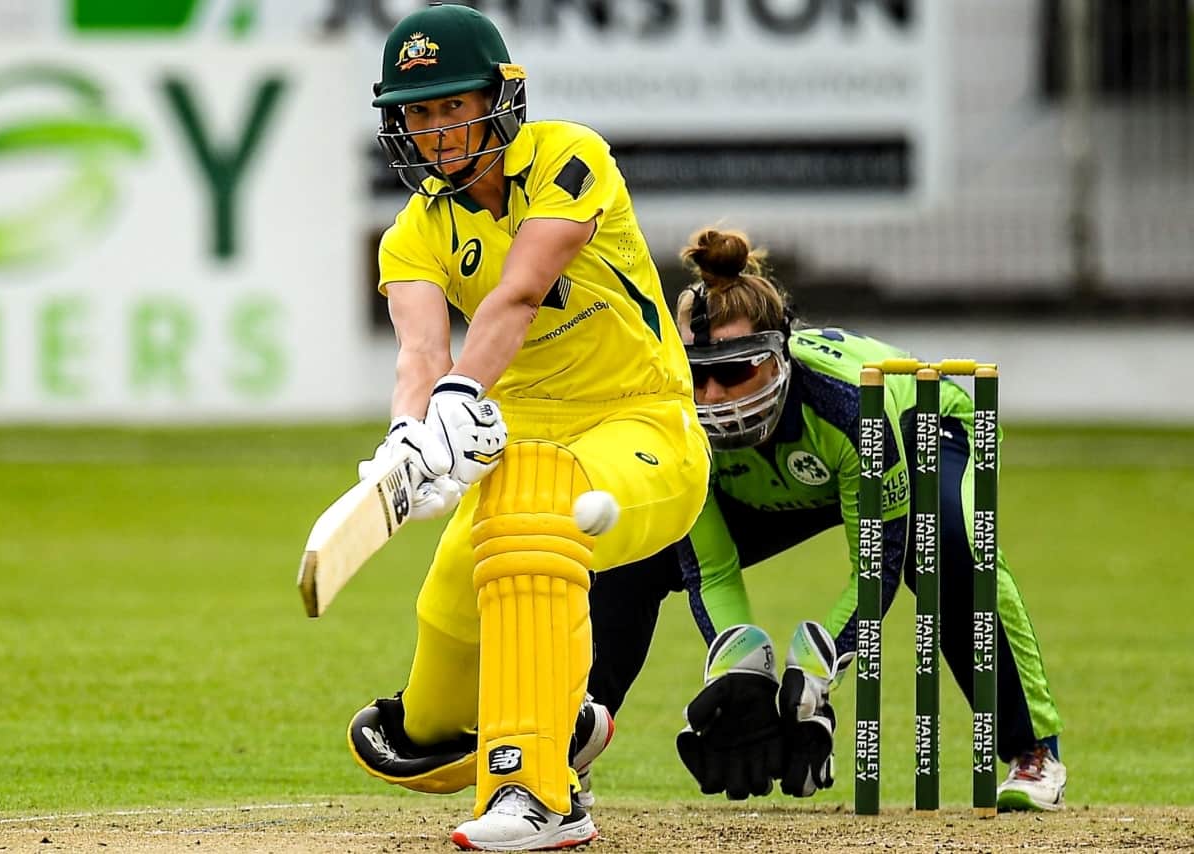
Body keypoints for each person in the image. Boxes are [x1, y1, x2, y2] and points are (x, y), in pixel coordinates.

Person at [344, 4, 711, 849]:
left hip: (639, 428)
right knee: (428, 725)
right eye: (419, 112)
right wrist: (409, 435)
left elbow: (516, 292)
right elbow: (419, 353)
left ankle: (541, 795)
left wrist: (461, 395)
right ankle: (561, 718)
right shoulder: (413, 235)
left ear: (502, 96)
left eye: (452, 105)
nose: (436, 130)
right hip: (515, 448)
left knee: (532, 517)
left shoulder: (569, 157)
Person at [584, 226, 1067, 812]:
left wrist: (817, 664)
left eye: (736, 372)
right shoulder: (678, 423)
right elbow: (709, 569)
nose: (713, 397)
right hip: (772, 482)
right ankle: (571, 743)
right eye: (697, 374)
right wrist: (743, 667)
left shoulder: (845, 404)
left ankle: (1032, 751)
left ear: (779, 354)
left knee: (944, 542)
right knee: (632, 551)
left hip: (912, 432)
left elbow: (876, 568)